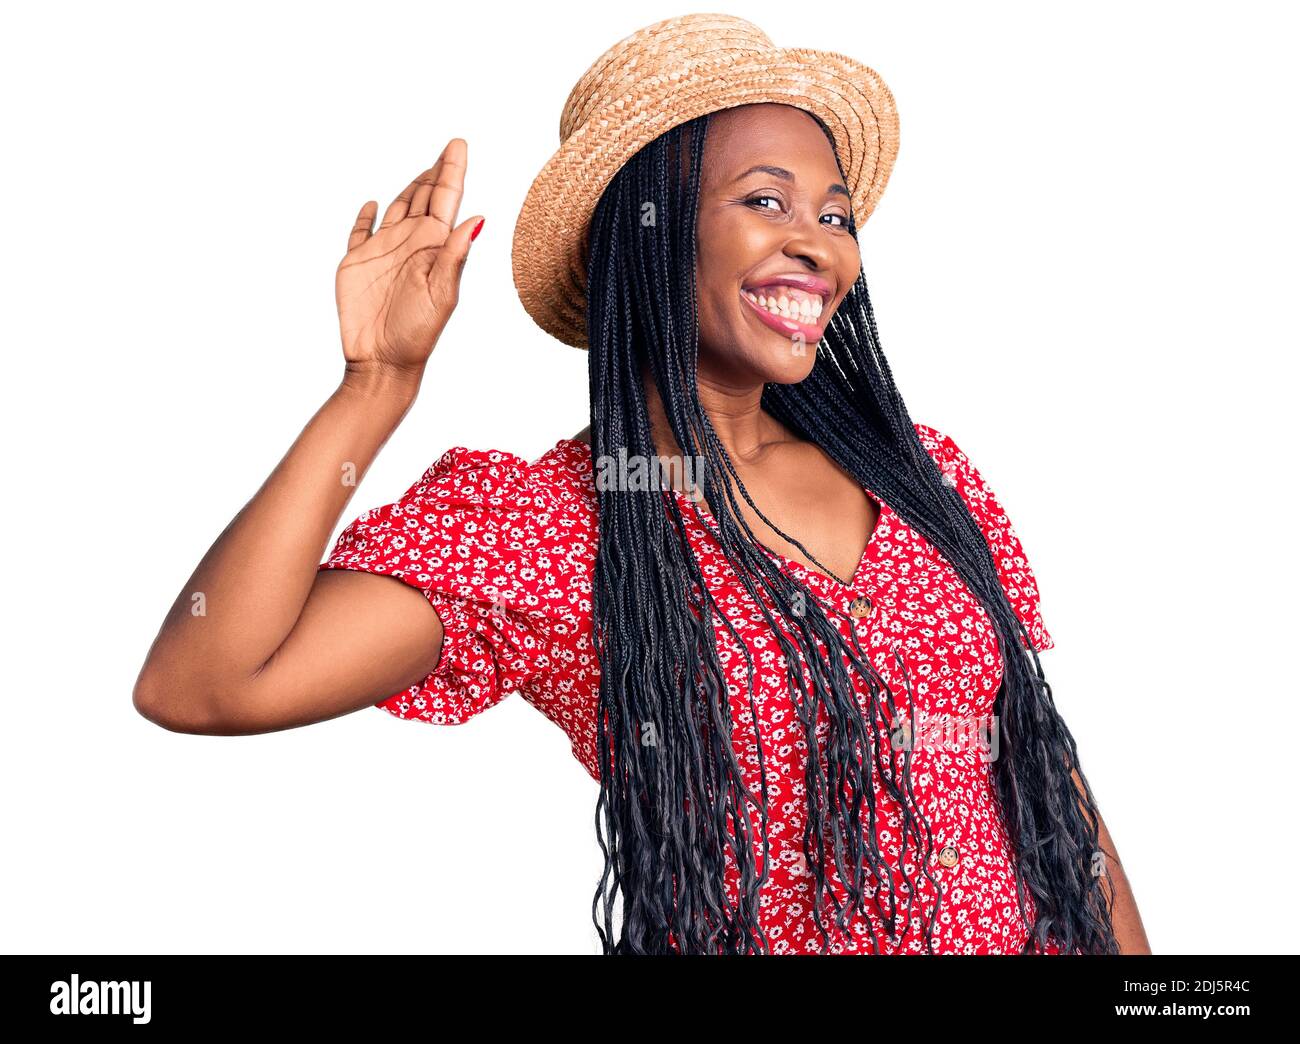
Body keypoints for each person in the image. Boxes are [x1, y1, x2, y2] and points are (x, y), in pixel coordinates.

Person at [133, 14, 1149, 956]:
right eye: (764, 201)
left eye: (833, 213)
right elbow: (207, 683)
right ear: (652, 230)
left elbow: (1042, 774)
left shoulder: (924, 475)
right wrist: (376, 386)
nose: (818, 241)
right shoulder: (556, 530)